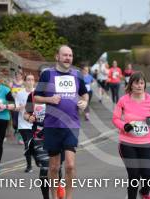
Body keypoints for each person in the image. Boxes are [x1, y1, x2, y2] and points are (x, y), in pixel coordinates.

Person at [34, 45, 88, 199]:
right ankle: (55, 197)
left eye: (70, 55)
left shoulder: (77, 75)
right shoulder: (47, 74)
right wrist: (49, 99)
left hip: (71, 125)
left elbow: (84, 94)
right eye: (65, 55)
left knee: (70, 165)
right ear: (57, 56)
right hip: (52, 126)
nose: (68, 58)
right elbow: (36, 97)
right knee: (54, 167)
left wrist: (84, 102)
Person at [112, 71, 150, 199]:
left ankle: (144, 192)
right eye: (136, 83)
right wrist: (124, 126)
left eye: (141, 83)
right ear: (131, 85)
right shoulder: (124, 100)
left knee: (148, 176)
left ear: (144, 85)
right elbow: (115, 118)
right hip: (127, 143)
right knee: (134, 175)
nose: (139, 86)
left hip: (145, 143)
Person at [24, 83, 64, 199]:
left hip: (57, 136)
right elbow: (26, 114)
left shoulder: (60, 96)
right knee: (44, 170)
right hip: (39, 138)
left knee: (56, 169)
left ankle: (58, 187)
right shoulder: (32, 96)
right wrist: (29, 117)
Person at [15, 74, 35, 173]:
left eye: (32, 80)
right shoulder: (20, 94)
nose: (30, 81)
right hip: (23, 124)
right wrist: (22, 106)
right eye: (28, 79)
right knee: (27, 144)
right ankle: (29, 165)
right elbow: (16, 107)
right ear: (25, 81)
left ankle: (39, 159)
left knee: (35, 144)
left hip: (36, 123)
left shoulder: (38, 93)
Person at [9, 70, 24, 145]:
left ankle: (20, 138)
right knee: (15, 122)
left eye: (20, 75)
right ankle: (16, 129)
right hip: (14, 104)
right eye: (17, 75)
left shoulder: (24, 83)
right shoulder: (12, 83)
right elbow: (9, 92)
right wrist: (12, 92)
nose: (18, 76)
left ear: (22, 76)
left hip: (22, 104)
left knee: (21, 120)